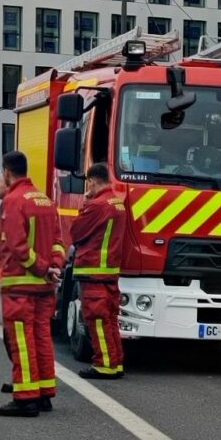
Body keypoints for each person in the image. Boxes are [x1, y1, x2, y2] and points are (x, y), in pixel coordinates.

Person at [0, 150, 64, 418]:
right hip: (45, 287)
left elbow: (16, 246)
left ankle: (26, 398)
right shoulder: (44, 200)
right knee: (42, 337)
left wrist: (41, 267)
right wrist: (53, 266)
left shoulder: (13, 201)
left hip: (21, 285)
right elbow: (58, 240)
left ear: (7, 172)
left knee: (22, 342)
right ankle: (44, 392)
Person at [68, 156, 129, 380]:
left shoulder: (96, 205)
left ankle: (103, 364)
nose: (87, 188)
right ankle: (116, 362)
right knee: (110, 319)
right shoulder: (116, 203)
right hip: (109, 271)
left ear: (93, 181)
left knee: (97, 319)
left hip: (93, 270)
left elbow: (76, 233)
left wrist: (84, 204)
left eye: (88, 184)